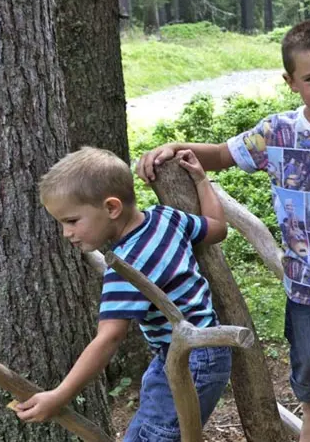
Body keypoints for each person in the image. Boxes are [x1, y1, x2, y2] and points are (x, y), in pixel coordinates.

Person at [136, 20, 310, 442]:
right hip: (302, 280)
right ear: (291, 82)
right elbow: (223, 155)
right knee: (306, 359)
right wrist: (176, 148)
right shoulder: (277, 133)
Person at [15, 146, 231, 441]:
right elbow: (218, 229)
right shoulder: (166, 218)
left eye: (72, 221)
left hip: (190, 361)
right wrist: (202, 181)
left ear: (111, 208)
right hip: (194, 354)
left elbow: (109, 338)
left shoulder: (126, 266)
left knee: (154, 436)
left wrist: (59, 395)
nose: (66, 233)